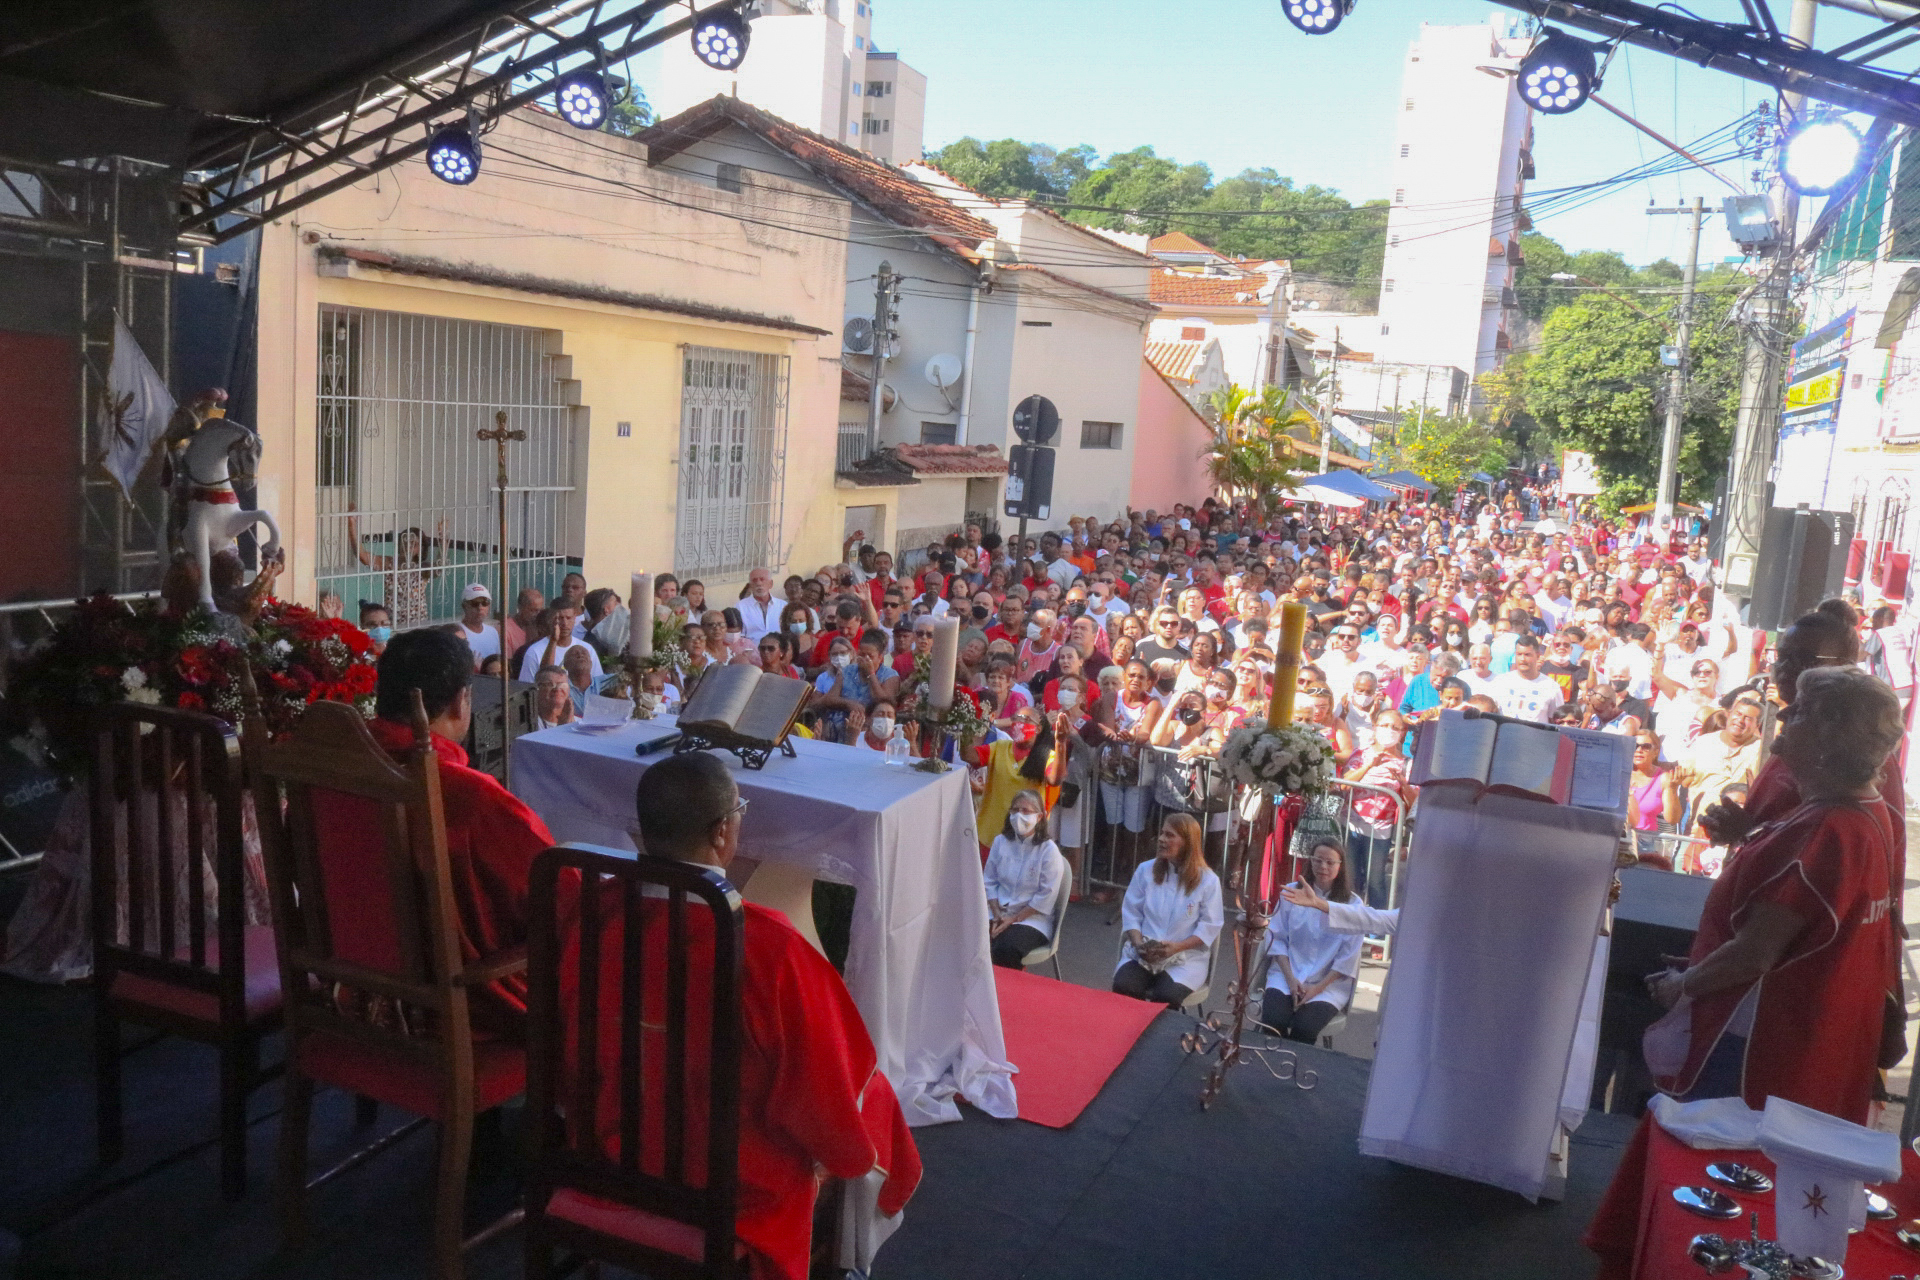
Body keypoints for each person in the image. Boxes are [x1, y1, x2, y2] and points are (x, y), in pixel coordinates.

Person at [555, 752, 920, 1280]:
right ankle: (845, 1266)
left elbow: (567, 1043)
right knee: (871, 1095)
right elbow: (824, 1098)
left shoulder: (593, 913)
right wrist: (844, 1153)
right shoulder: (769, 948)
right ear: (723, 831)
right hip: (734, 1191)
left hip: (606, 1152)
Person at [1644, 666, 1905, 1125]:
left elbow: (1755, 954)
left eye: (1801, 712)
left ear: (1831, 739)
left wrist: (1682, 985)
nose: (1785, 714)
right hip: (1809, 1050)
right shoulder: (1865, 812)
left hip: (1759, 1056)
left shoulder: (1824, 831)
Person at [369, 629, 554, 1032]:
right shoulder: (466, 794)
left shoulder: (325, 765)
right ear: (461, 700)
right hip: (458, 1006)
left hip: (351, 989)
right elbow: (555, 892)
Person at [1113, 813, 1224, 1010]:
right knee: (1125, 986)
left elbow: (1210, 926)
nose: (1162, 839)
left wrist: (1176, 948)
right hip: (1144, 953)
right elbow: (1131, 913)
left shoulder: (1208, 881)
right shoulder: (1145, 870)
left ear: (1187, 842)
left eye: (1170, 835)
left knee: (1165, 996)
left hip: (1184, 960)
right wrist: (1139, 944)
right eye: (1162, 833)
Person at [1262, 840, 1363, 1044]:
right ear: (1310, 862)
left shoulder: (1353, 905)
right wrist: (1291, 981)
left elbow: (1348, 958)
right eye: (1318, 860)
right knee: (1273, 1021)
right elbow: (1277, 938)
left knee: (1304, 1028)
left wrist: (1316, 989)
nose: (1323, 867)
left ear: (1340, 866)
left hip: (1327, 986)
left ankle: (1297, 1071)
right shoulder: (1291, 892)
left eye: (1330, 862)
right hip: (1287, 976)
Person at [983, 789, 1067, 969]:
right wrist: (997, 914)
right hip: (997, 911)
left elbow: (1046, 895)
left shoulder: (1048, 850)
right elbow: (989, 881)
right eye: (1015, 810)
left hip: (1032, 919)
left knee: (1005, 947)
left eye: (1026, 811)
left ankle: (1008, 992)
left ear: (1039, 817)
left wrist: (1012, 919)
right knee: (972, 938)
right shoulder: (1000, 842)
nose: (1019, 815)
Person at [1490, 635, 1563, 723]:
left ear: (1537, 655)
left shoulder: (1551, 687)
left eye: (1527, 655)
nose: (1522, 659)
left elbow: (1557, 722)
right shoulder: (1500, 682)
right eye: (1519, 654)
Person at [454, 583, 501, 670]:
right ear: (464, 606)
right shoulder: (458, 633)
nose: (480, 607)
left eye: (484, 603)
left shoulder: (492, 632)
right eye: (474, 603)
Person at [533, 664, 574, 729]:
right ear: (537, 689)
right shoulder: (528, 725)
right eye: (549, 684)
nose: (557, 688)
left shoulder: (580, 724)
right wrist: (562, 728)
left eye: (562, 684)